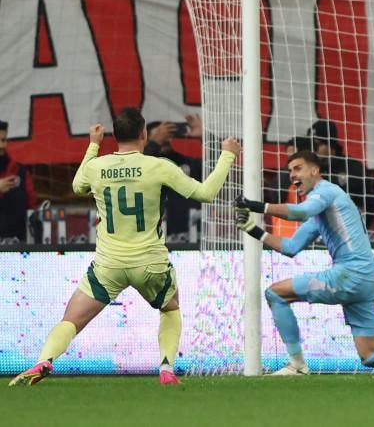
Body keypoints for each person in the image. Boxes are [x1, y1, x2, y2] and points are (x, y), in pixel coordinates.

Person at [9, 108, 240, 387]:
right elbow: (205, 193)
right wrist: (227, 155)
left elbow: (78, 185)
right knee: (170, 309)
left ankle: (44, 360)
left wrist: (93, 145)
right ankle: (166, 367)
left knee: (71, 319)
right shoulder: (160, 166)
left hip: (109, 265)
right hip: (150, 263)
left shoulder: (97, 166)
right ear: (144, 134)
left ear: (114, 136)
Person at [235, 150, 374, 377]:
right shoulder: (324, 210)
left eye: (298, 168)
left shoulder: (326, 192)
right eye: (289, 171)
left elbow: (300, 212)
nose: (292, 175)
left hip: (350, 274)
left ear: (314, 170)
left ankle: (297, 364)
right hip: (368, 277)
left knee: (275, 294)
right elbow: (291, 247)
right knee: (371, 355)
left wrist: (255, 205)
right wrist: (253, 229)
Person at [0, 119, 33, 241]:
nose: (1, 145)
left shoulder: (21, 172)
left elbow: (31, 207)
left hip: (18, 245)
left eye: (3, 140)